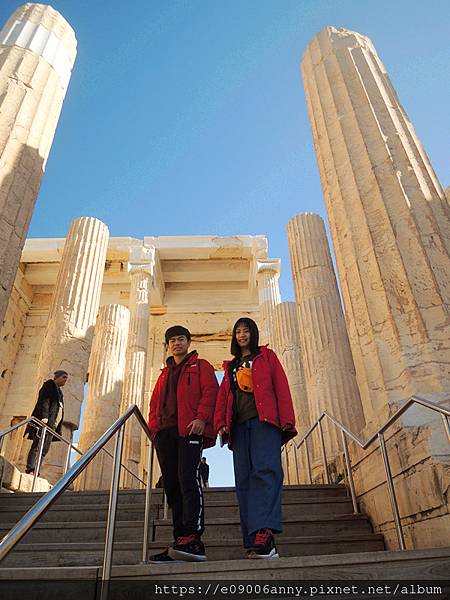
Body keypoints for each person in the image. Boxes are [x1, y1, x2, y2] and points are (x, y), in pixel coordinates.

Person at [214, 317, 297, 559]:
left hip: (265, 423)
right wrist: (220, 423)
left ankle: (266, 534)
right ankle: (252, 539)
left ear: (253, 333)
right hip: (239, 428)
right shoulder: (230, 366)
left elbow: (281, 386)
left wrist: (287, 421)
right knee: (244, 481)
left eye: (246, 330)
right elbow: (223, 397)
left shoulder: (266, 357)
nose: (242, 335)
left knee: (266, 473)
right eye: (238, 331)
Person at [147, 325, 219, 562]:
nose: (176, 343)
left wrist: (201, 418)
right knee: (171, 485)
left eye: (181, 339)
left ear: (188, 342)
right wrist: (154, 430)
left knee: (188, 479)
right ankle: (180, 540)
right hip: (165, 434)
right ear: (168, 345)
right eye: (172, 340)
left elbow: (211, 392)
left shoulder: (202, 366)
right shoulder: (163, 374)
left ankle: (194, 538)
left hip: (189, 429)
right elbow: (154, 403)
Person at [24, 370, 68, 475]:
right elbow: (44, 400)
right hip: (44, 422)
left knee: (44, 449)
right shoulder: (49, 385)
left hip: (52, 425)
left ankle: (36, 471)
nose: (66, 380)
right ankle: (30, 469)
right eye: (64, 377)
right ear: (57, 377)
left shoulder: (60, 392)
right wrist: (44, 416)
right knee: (37, 445)